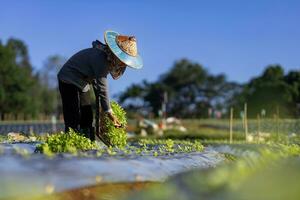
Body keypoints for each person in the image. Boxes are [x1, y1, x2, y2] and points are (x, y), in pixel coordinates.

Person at [57, 30, 143, 140]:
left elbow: (98, 87)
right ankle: (70, 140)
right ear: (116, 54)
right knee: (72, 114)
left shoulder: (107, 59)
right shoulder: (101, 59)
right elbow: (102, 87)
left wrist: (104, 106)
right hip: (68, 78)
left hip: (83, 82)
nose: (122, 63)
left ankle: (88, 142)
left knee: (87, 113)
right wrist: (109, 112)